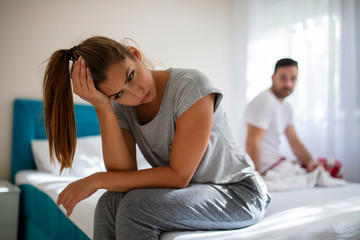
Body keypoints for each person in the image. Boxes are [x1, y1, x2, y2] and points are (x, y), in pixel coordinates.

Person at [43, 36, 270, 239]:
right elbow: (123, 176)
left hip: (237, 193)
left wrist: (96, 179)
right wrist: (103, 107)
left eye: (131, 76)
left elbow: (179, 176)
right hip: (190, 192)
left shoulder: (191, 86)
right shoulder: (121, 107)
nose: (136, 93)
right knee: (108, 203)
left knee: (136, 208)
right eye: (119, 94)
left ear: (135, 54)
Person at [242, 58, 318, 175]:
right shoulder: (265, 101)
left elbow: (294, 140)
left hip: (276, 164)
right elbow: (252, 141)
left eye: (293, 79)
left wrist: (311, 162)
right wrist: (256, 178)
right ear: (273, 78)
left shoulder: (286, 107)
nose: (288, 84)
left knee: (328, 168)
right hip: (265, 169)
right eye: (283, 77)